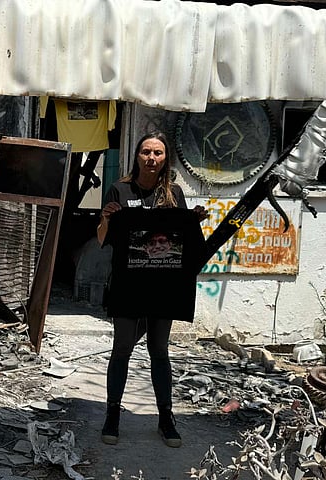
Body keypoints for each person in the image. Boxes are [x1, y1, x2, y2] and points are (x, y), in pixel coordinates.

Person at [96, 131, 208, 448]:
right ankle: (112, 415)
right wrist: (106, 218)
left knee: (159, 350)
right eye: (146, 152)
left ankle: (165, 418)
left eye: (158, 153)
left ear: (165, 159)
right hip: (128, 284)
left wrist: (194, 221)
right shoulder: (119, 190)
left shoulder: (173, 194)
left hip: (163, 285)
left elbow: (181, 239)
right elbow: (103, 239)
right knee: (122, 348)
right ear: (137, 155)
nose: (151, 158)